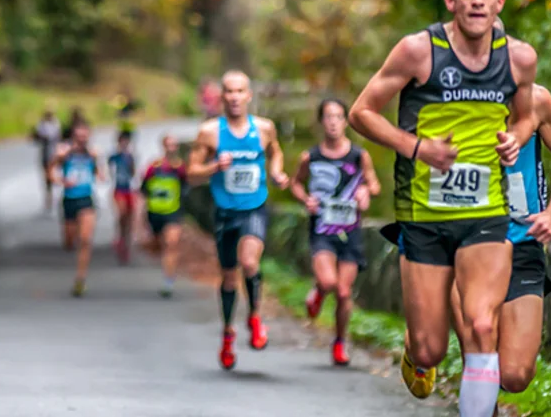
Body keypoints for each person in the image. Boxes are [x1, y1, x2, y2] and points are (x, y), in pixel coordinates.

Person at [347, 0, 540, 417]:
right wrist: (417, 148)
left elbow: (528, 113)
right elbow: (362, 112)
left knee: (481, 326)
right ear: (451, 0)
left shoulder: (519, 59)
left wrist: (516, 136)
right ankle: (416, 353)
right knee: (431, 346)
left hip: (486, 215)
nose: (478, 1)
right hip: (425, 216)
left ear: (500, 2)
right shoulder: (418, 51)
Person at [382, 40, 551, 417]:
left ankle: (420, 341)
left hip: (522, 243)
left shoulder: (538, 101)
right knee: (479, 348)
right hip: (467, 241)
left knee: (516, 374)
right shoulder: (450, 103)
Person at [186, 69, 289, 370]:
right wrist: (213, 167)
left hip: (254, 207)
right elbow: (191, 173)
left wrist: (277, 172)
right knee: (229, 277)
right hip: (224, 212)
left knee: (250, 263)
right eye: (229, 91)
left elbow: (276, 153)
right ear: (222, 96)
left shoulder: (264, 128)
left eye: (239, 91)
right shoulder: (210, 132)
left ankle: (255, 318)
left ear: (249, 95)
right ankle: (228, 333)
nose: (234, 97)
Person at [289, 98, 381, 366]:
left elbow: (374, 185)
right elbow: (296, 184)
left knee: (343, 292)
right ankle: (319, 291)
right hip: (322, 229)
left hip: (350, 231)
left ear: (345, 122)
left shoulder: (358, 155)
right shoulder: (310, 157)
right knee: (329, 282)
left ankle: (340, 341)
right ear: (321, 122)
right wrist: (305, 199)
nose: (333, 122)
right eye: (328, 117)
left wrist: (365, 191)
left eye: (338, 117)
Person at [48, 118, 106, 297]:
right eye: (78, 136)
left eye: (84, 136)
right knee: (69, 241)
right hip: (69, 199)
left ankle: (80, 279)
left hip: (86, 199)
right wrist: (61, 181)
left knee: (85, 240)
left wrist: (98, 165)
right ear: (73, 136)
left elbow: (100, 175)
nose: (82, 140)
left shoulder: (92, 153)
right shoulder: (65, 153)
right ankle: (70, 243)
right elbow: (50, 171)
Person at [140, 134, 189, 298]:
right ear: (163, 146)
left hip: (173, 212)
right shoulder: (153, 167)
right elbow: (144, 189)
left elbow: (186, 187)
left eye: (174, 145)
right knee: (157, 246)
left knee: (171, 243)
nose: (171, 148)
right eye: (169, 145)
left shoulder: (180, 168)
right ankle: (165, 264)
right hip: (155, 212)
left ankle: (168, 281)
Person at [108, 130, 137, 264]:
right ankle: (119, 237)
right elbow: (110, 173)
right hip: (118, 188)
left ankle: (126, 243)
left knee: (130, 218)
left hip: (129, 189)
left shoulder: (131, 156)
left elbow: (133, 173)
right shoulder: (114, 157)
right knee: (122, 213)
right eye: (122, 141)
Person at [32, 104, 62, 213]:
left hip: (54, 153)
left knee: (55, 174)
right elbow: (37, 137)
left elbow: (59, 137)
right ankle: (49, 197)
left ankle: (56, 196)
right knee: (47, 177)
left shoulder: (56, 123)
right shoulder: (42, 125)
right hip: (46, 153)